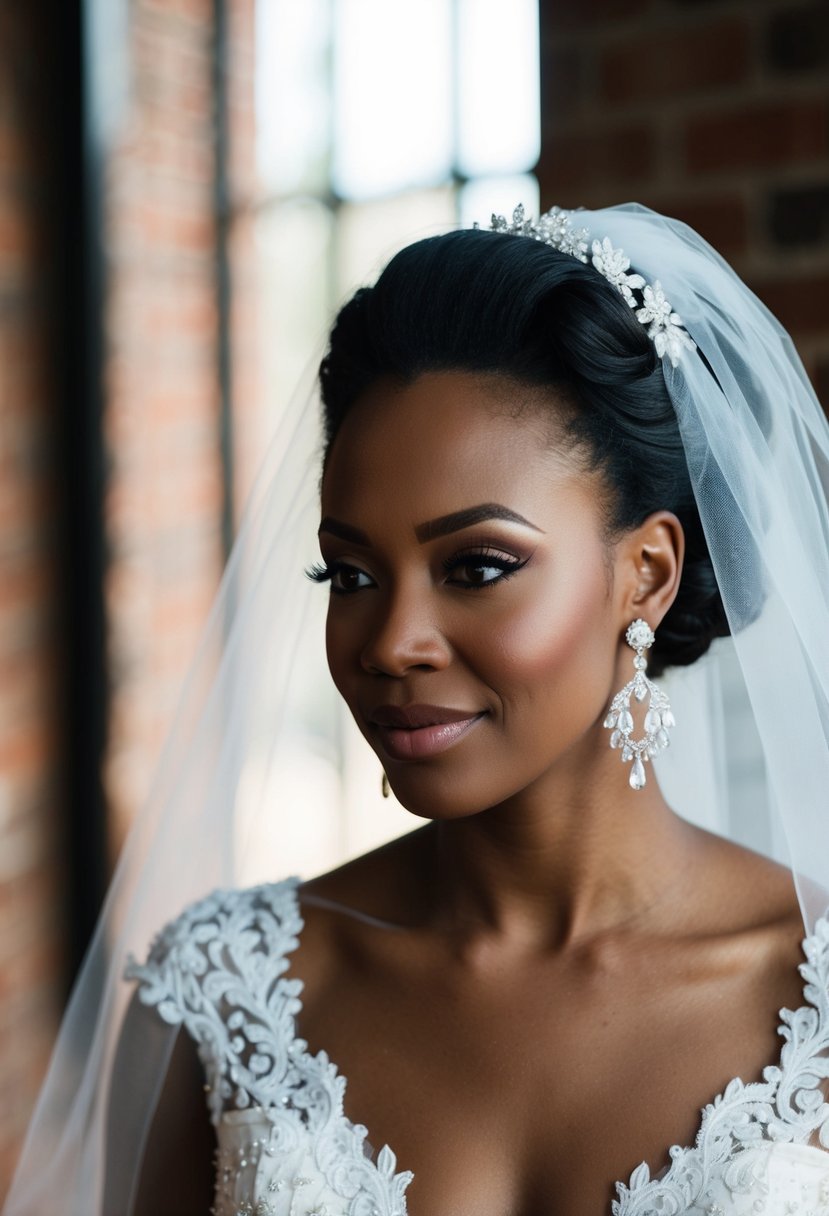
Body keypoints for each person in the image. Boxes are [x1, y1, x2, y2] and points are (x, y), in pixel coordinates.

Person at [5, 203, 829, 1216]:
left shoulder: (813, 998)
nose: (391, 642)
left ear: (645, 575)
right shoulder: (219, 1000)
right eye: (349, 574)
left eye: (476, 565)